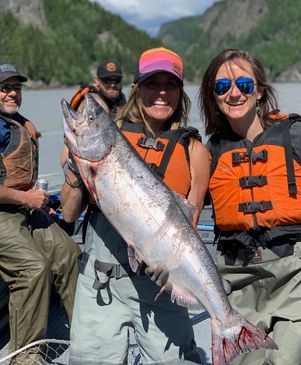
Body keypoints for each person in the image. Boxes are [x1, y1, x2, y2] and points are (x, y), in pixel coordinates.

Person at [198, 48, 301, 364]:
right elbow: (184, 207)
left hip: (295, 270)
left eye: (244, 85)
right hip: (237, 271)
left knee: (289, 357)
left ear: (258, 90)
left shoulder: (295, 134)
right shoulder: (211, 151)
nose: (234, 93)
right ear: (213, 95)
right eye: (222, 87)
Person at [61, 47, 210, 365]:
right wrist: (78, 169)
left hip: (160, 288)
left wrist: (169, 270)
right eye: (151, 83)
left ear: (180, 92)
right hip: (101, 283)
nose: (161, 93)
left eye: (169, 85)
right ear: (136, 88)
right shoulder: (105, 134)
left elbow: (190, 231)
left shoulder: (194, 150)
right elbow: (69, 213)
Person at [0, 62, 80, 364]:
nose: (12, 94)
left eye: (16, 88)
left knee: (69, 253)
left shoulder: (21, 123)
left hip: (26, 208)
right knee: (33, 269)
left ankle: (87, 334)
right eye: (5, 88)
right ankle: (26, 357)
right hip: (3, 214)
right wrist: (25, 197)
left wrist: (37, 198)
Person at [60, 59, 126, 167]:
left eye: (116, 80)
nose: (112, 84)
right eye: (107, 80)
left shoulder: (124, 103)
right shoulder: (89, 103)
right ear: (97, 80)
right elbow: (67, 151)